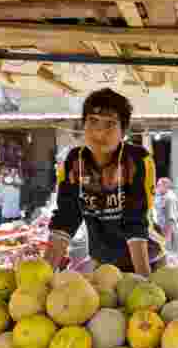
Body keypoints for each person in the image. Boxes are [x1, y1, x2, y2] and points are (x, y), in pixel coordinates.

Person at [47, 88, 165, 275]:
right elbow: (66, 219)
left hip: (147, 259)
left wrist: (144, 280)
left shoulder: (137, 160)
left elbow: (135, 221)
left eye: (110, 124)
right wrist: (44, 275)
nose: (100, 131)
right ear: (83, 124)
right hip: (104, 262)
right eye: (93, 121)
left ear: (123, 131)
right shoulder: (73, 162)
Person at [155, 177, 178, 264]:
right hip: (166, 231)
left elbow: (171, 220)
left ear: (165, 186)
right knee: (169, 258)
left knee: (171, 259)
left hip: (170, 233)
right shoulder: (163, 196)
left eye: (159, 185)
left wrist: (167, 238)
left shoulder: (169, 199)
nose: (157, 187)